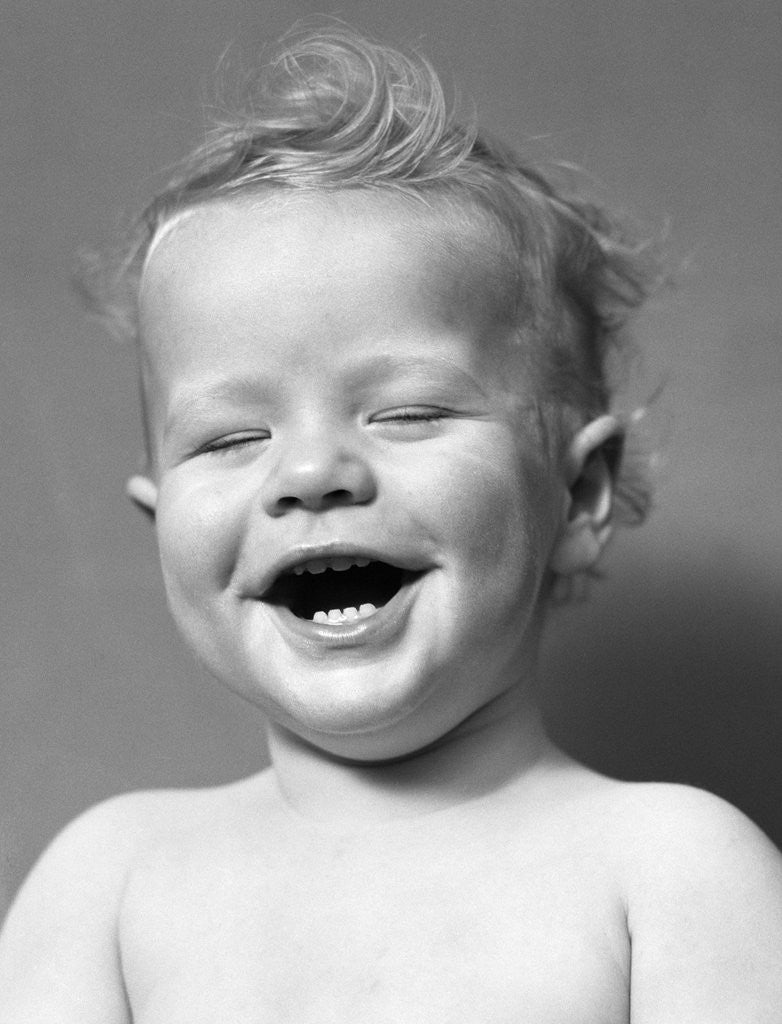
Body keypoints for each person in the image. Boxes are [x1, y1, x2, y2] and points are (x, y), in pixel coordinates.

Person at [1, 26, 781, 1023]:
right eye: (234, 436)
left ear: (577, 494)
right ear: (159, 526)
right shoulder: (108, 888)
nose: (313, 471)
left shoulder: (672, 873)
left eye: (404, 412)